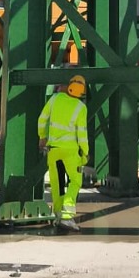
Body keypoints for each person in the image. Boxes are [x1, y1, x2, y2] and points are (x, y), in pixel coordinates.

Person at [38, 75, 89, 232]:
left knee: (58, 184)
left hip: (53, 150)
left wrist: (42, 137)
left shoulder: (55, 99)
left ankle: (59, 215)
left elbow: (42, 119)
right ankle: (66, 215)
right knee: (75, 181)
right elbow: (82, 134)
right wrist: (85, 152)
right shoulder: (80, 107)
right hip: (71, 152)